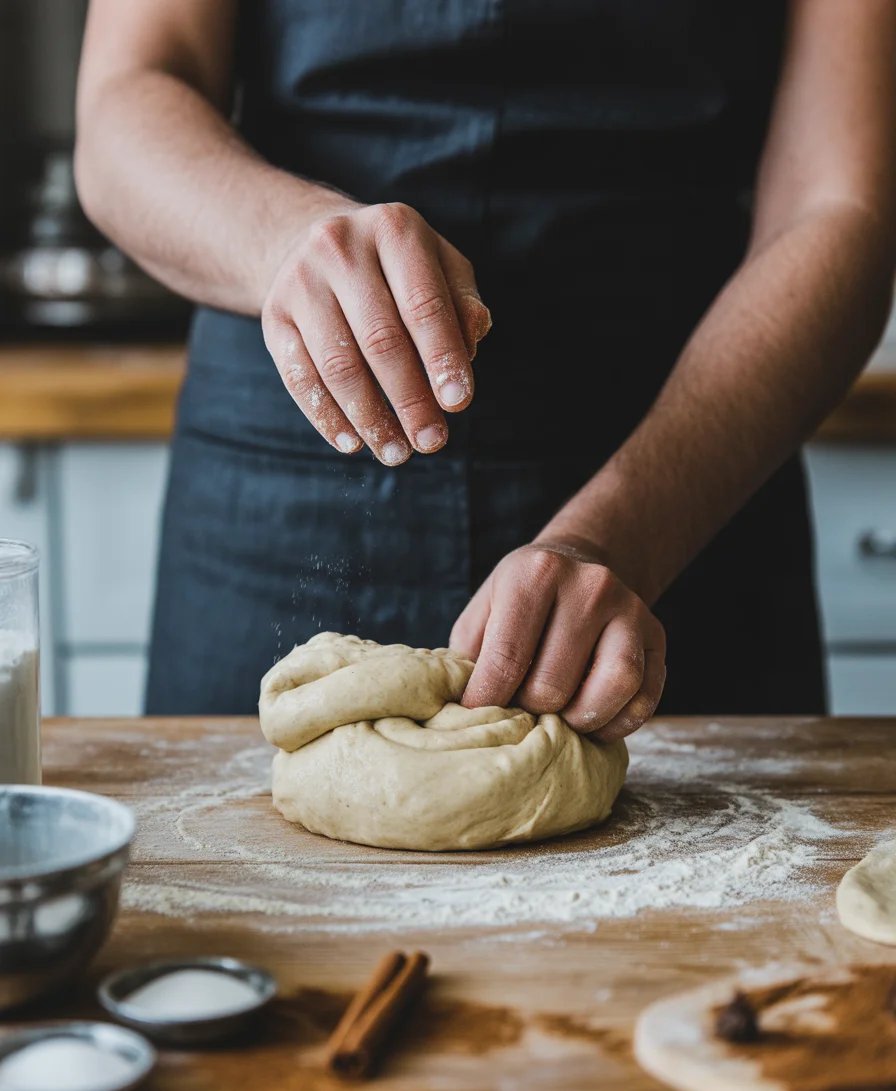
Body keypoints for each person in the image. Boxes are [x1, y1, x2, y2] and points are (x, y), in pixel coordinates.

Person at [75, 1, 896, 737]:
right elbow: (128, 100)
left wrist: (622, 536)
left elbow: (837, 205)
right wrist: (286, 236)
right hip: (285, 490)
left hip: (686, 478)